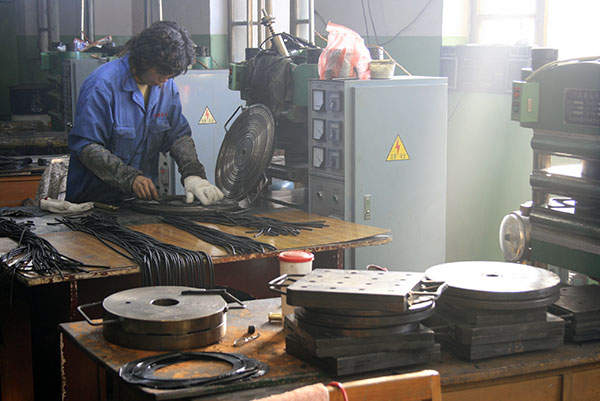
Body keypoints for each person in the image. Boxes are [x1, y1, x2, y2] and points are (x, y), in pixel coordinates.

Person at [65, 20, 223, 205]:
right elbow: (86, 146)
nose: (166, 79)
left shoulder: (166, 87)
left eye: (171, 75)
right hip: (94, 202)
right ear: (145, 59)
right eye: (162, 72)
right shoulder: (102, 86)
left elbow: (178, 136)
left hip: (138, 202)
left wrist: (193, 174)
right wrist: (130, 178)